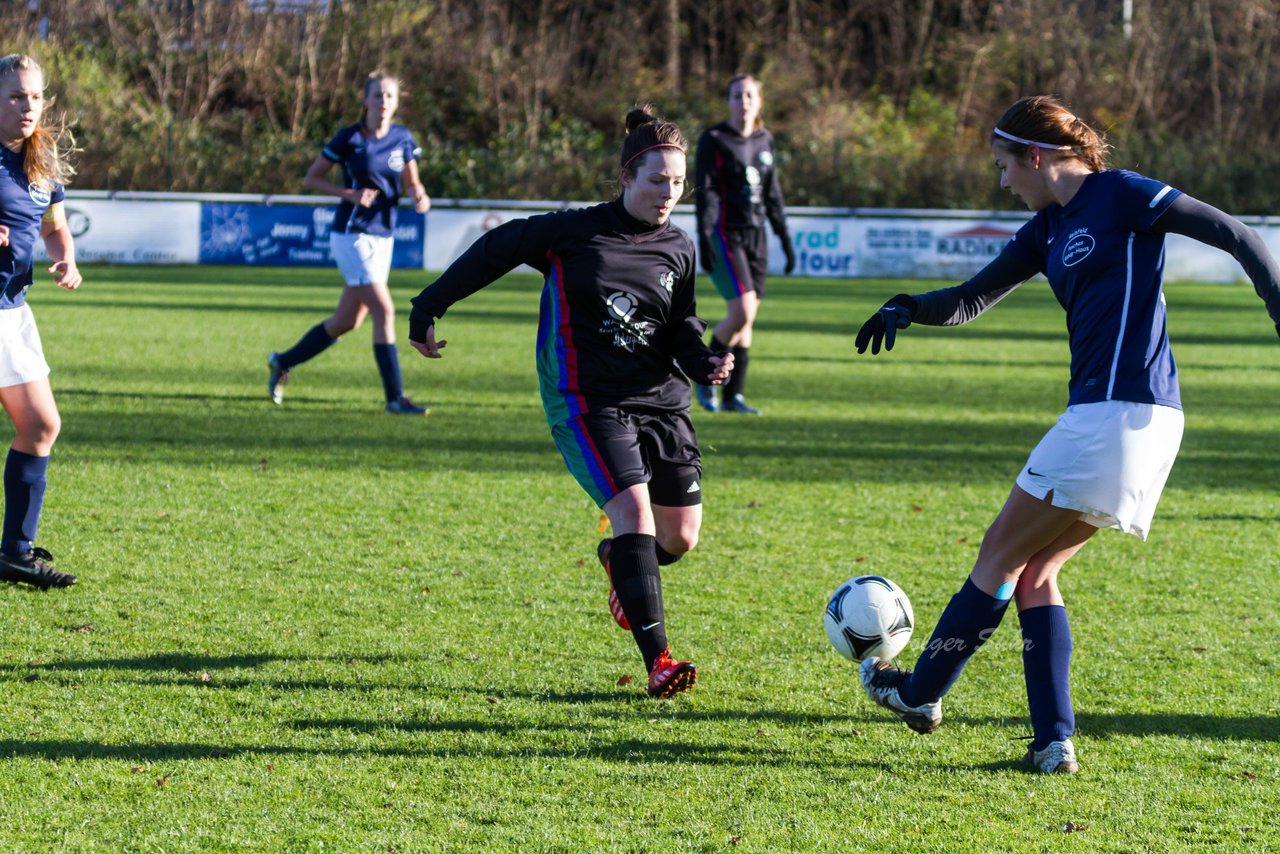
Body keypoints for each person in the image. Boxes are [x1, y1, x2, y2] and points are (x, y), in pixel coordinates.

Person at [853, 95, 1280, 774]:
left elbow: (1238, 235)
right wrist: (906, 306)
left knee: (997, 554)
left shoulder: (1121, 195)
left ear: (1039, 157)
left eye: (1004, 166)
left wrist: (1277, 305)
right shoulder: (1048, 228)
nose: (1002, 182)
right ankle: (1053, 743)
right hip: (1127, 421)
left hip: (1117, 415)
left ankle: (918, 694)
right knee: (1036, 573)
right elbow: (971, 297)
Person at [407, 106, 734, 697]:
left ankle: (621, 561)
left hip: (663, 402)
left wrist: (704, 361)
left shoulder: (680, 247)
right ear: (627, 177)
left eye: (678, 183)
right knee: (633, 512)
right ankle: (659, 661)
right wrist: (428, 305)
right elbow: (495, 250)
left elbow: (681, 323)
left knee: (679, 537)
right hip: (589, 402)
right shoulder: (572, 233)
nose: (668, 194)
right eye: (657, 181)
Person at [267, 70, 431, 414]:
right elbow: (312, 178)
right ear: (365, 100)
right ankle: (395, 399)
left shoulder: (403, 138)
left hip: (383, 235)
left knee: (347, 321)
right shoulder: (349, 138)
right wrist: (350, 194)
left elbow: (412, 181)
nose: (383, 102)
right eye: (377, 95)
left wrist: (420, 195)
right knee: (384, 310)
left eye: (389, 96)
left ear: (396, 102)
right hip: (351, 234)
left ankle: (283, 361)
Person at [0, 54, 81, 589]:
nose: (27, 106)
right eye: (14, 96)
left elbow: (54, 225)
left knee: (42, 427)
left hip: (12, 308)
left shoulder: (41, 156)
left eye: (33, 96)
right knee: (38, 425)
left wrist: (66, 256)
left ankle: (14, 552)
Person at [693, 73, 795, 415]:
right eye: (737, 96)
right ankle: (705, 376)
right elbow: (705, 192)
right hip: (725, 233)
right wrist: (704, 236)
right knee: (741, 312)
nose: (743, 101)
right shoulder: (714, 139)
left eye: (749, 95)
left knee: (747, 322)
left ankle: (734, 396)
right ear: (728, 102)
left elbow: (772, 194)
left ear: (759, 101)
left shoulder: (765, 140)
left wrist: (784, 236)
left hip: (757, 236)